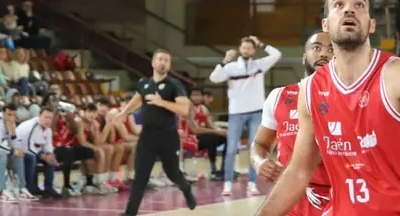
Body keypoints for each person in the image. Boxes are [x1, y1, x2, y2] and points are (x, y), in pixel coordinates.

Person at [256, 0, 400, 216]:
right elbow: (299, 171)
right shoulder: (310, 89)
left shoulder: (398, 74)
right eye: (339, 4)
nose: (349, 10)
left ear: (371, 25)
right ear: (326, 24)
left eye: (359, 4)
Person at [104, 49, 197, 215]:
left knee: (173, 174)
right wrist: (123, 113)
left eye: (166, 60)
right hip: (147, 136)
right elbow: (137, 100)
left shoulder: (174, 85)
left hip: (168, 136)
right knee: (140, 177)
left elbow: (184, 110)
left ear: (169, 65)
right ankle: (129, 213)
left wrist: (162, 102)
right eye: (160, 59)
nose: (162, 63)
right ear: (153, 62)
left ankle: (186, 188)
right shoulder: (144, 83)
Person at [251, 31, 334, 213]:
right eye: (317, 48)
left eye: (331, 49)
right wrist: (259, 162)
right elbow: (260, 143)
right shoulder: (279, 96)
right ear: (305, 57)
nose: (323, 54)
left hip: (340, 199)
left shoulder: (353, 99)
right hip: (292, 200)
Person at [209, 34, 282, 196]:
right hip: (236, 112)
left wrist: (261, 43)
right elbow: (214, 78)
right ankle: (227, 183)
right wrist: (225, 60)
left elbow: (277, 55)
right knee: (231, 149)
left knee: (254, 148)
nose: (247, 50)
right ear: (239, 49)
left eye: (250, 47)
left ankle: (252, 183)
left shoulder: (259, 65)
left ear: (254, 50)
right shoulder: (231, 67)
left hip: (256, 111)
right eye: (244, 47)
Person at [17, 107, 61, 199]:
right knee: (31, 158)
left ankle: (48, 188)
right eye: (46, 117)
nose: (48, 120)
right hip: (17, 151)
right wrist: (43, 156)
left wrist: (50, 155)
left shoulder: (48, 130)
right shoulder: (31, 127)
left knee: (51, 158)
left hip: (32, 151)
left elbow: (48, 146)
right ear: (39, 116)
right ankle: (29, 186)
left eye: (50, 118)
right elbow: (27, 149)